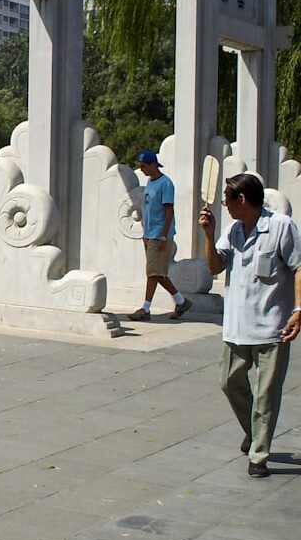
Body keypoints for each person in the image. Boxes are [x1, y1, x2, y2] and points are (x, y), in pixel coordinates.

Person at [200, 173, 301, 477]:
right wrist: (208, 235)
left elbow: (299, 267)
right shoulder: (232, 231)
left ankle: (258, 455)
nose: (225, 205)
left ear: (241, 199)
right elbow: (215, 266)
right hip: (237, 327)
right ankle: (254, 432)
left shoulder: (281, 227)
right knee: (229, 382)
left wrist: (298, 310)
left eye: (227, 200)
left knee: (267, 394)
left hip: (272, 328)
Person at [129, 150, 192, 321]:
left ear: (153, 165)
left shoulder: (166, 183)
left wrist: (164, 236)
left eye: (144, 166)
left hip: (160, 235)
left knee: (153, 273)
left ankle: (145, 308)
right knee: (158, 273)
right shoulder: (150, 182)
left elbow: (169, 211)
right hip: (150, 234)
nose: (142, 169)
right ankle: (181, 301)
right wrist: (145, 234)